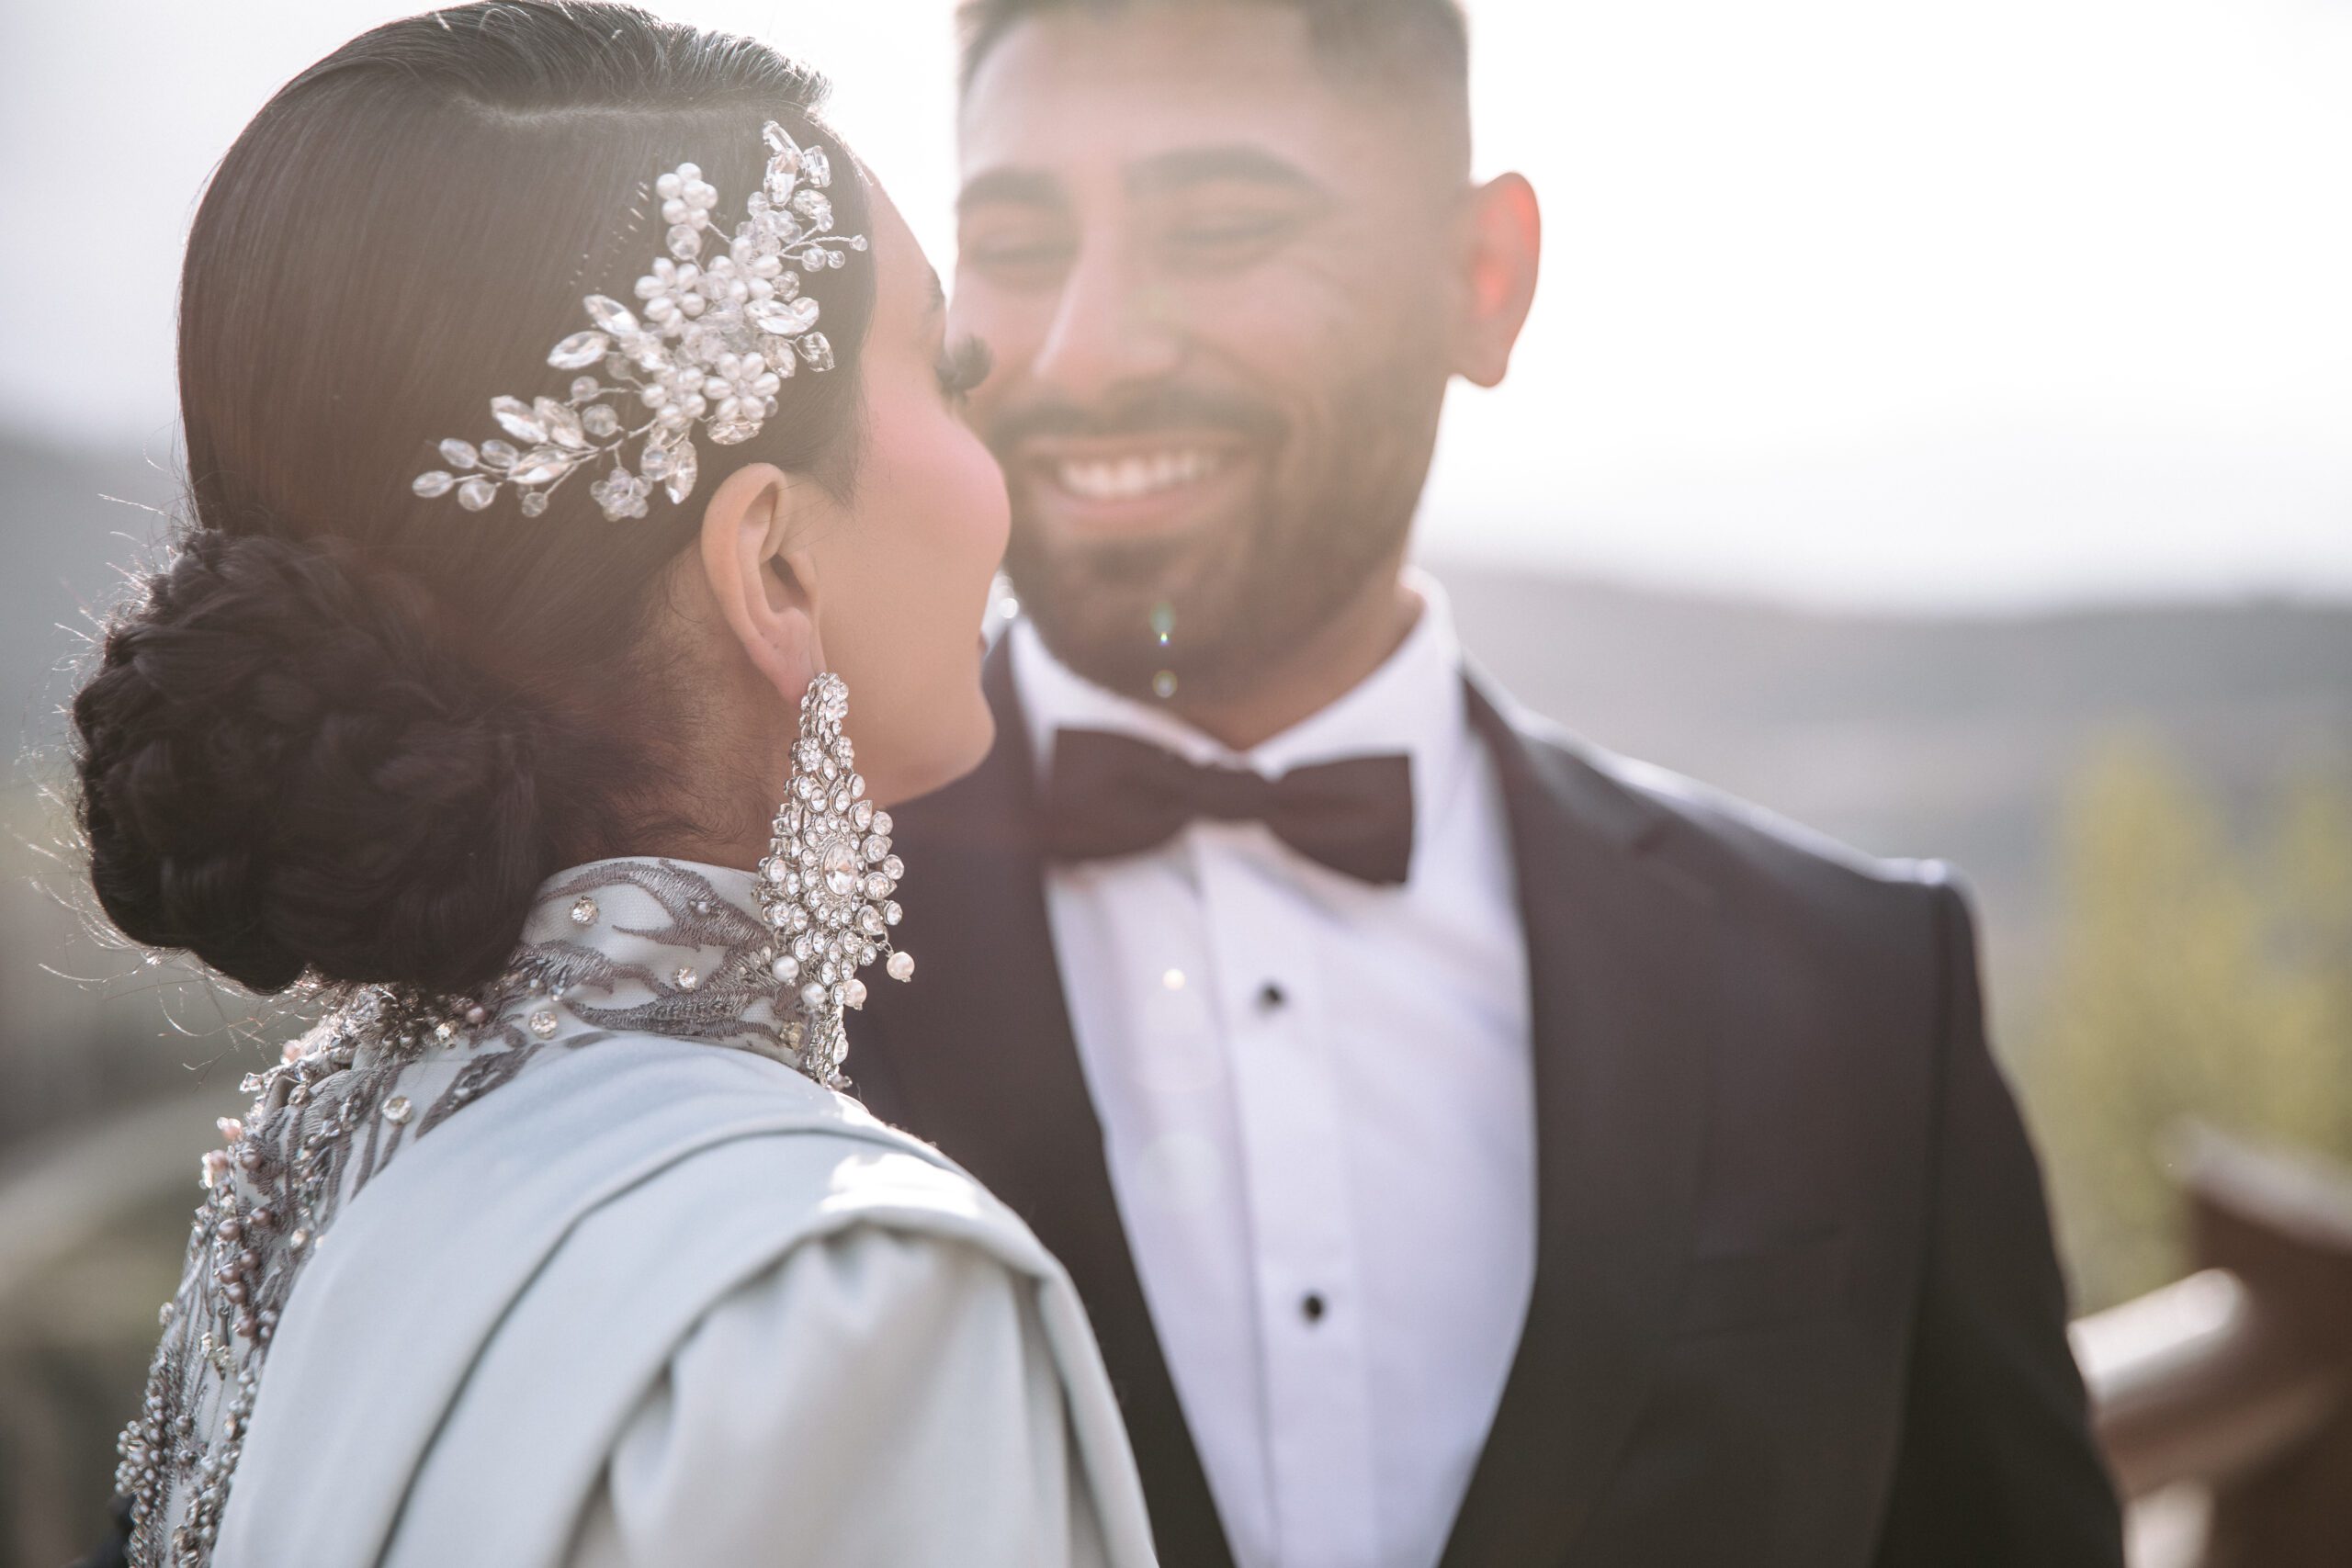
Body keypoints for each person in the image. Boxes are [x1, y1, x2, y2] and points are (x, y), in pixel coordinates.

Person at [853, 2, 2127, 1565]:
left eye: (1224, 226)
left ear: (1483, 281)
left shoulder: (1863, 987)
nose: (1085, 351)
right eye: (1019, 241)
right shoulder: (733, 950)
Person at [70, 4, 1155, 1564]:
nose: (1007, 464)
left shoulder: (313, 1159)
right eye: (950, 366)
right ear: (772, 561)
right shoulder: (842, 1298)